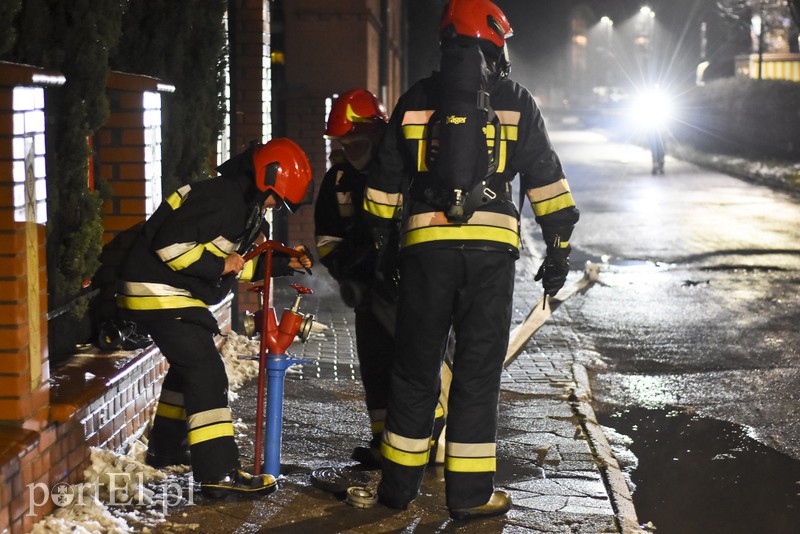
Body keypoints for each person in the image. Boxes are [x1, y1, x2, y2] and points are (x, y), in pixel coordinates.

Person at [363, 0, 580, 520]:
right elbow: (546, 180)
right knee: (477, 376)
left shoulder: (416, 100)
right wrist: (559, 249)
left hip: (425, 253)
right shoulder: (517, 101)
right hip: (491, 257)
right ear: (495, 43)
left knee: (415, 372)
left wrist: (383, 250)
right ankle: (470, 496)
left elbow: (381, 191)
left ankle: (396, 491)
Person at [116, 138, 314, 498]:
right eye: (276, 199)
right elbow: (170, 246)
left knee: (188, 368)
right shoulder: (223, 199)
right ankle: (218, 475)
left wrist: (285, 264)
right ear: (264, 177)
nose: (275, 207)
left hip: (168, 293)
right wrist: (220, 265)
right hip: (158, 292)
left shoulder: (240, 202)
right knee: (206, 373)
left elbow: (242, 263)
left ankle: (167, 449)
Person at [314, 89, 446, 468]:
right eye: (341, 143)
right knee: (375, 367)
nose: (348, 151)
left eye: (354, 142)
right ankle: (384, 442)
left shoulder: (408, 168)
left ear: (375, 133)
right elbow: (327, 239)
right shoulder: (338, 180)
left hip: (411, 287)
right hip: (370, 292)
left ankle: (426, 441)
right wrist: (348, 273)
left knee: (416, 365)